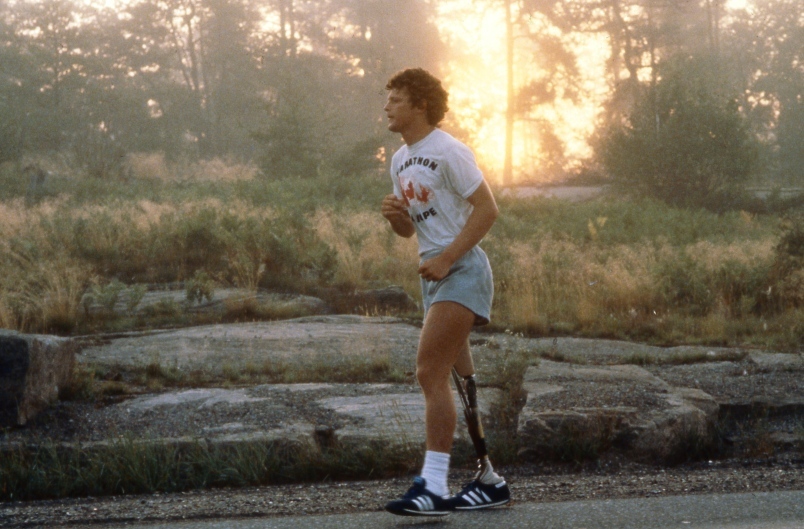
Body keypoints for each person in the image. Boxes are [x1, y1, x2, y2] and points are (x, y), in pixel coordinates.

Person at [380, 67, 510, 517]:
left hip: (462, 271)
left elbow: (488, 209)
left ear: (420, 104)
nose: (387, 106)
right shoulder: (399, 159)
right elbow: (407, 230)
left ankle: (432, 487)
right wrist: (395, 216)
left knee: (428, 372)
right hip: (434, 274)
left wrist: (448, 258)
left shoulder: (449, 150)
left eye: (396, 98)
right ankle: (489, 479)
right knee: (461, 380)